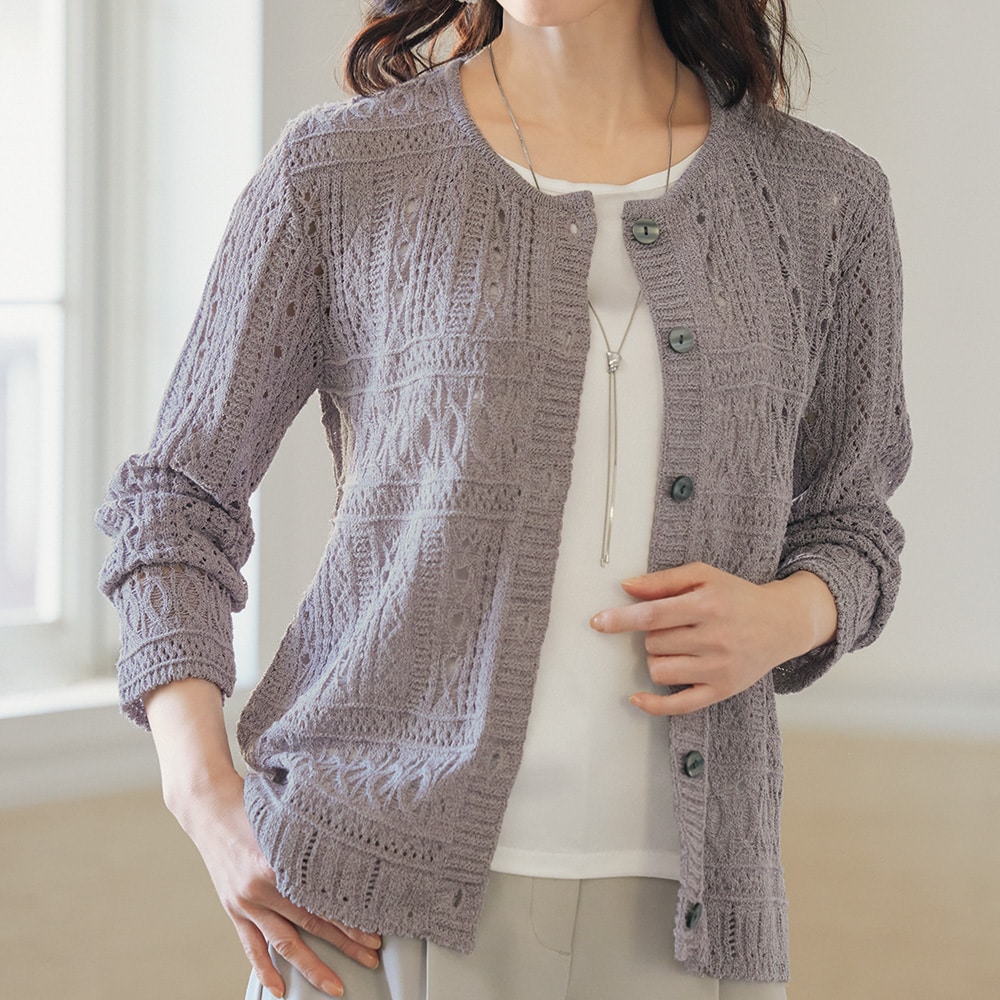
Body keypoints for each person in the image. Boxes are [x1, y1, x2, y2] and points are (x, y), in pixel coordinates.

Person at [96, 1, 911, 997]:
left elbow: (853, 522)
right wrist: (204, 798)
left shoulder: (824, 198)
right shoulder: (342, 169)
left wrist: (789, 614)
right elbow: (174, 498)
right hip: (368, 893)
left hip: (690, 912)